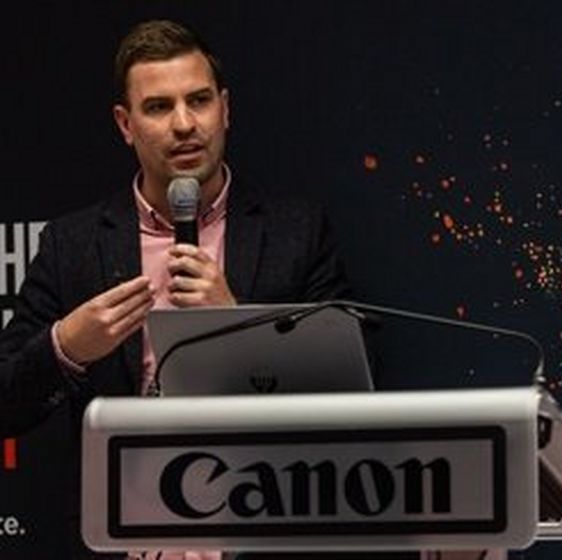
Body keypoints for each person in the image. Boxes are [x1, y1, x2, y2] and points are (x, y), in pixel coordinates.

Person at [0, 19, 348, 559]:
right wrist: (66, 346)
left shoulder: (295, 233)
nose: (185, 124)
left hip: (258, 526)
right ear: (125, 124)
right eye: (159, 107)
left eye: (200, 100)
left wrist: (236, 325)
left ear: (225, 109)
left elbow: (344, 401)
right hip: (121, 536)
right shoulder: (73, 244)